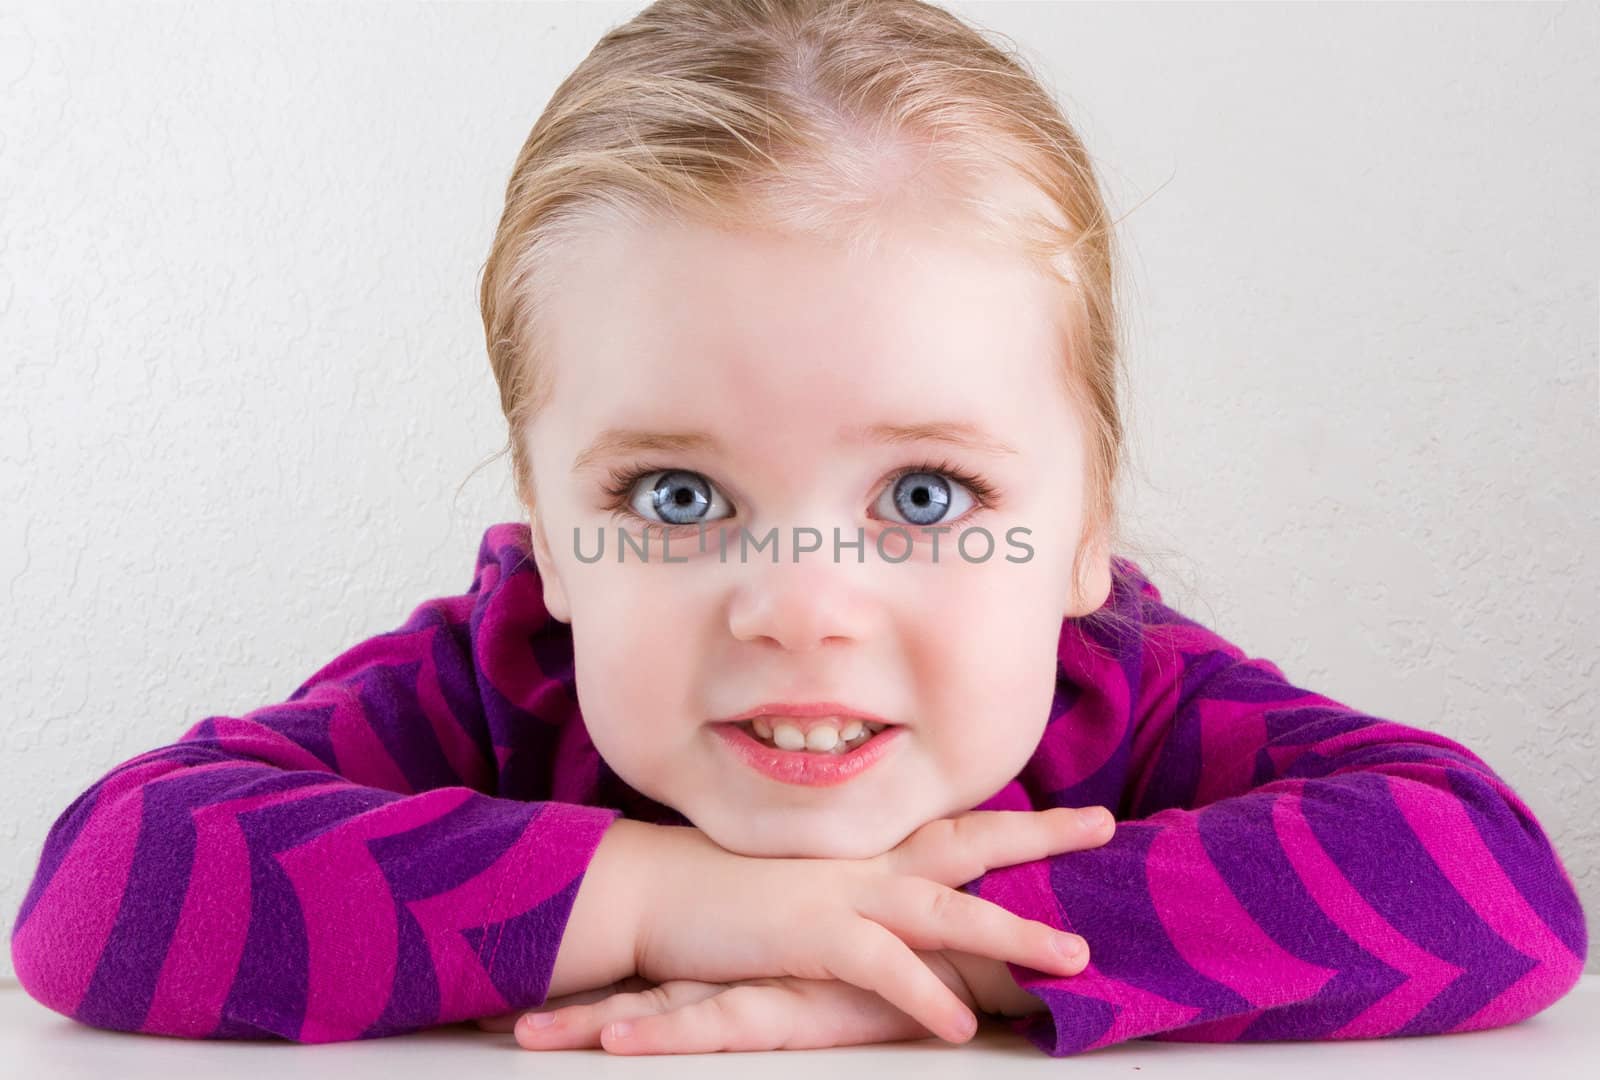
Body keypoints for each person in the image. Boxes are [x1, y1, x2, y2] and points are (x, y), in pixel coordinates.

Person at [9, 0, 1586, 1058]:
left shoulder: (1121, 691)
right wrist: (666, 900)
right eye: (678, 500)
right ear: (550, 535)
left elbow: (1498, 888)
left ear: (1083, 529)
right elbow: (100, 897)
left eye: (924, 498)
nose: (802, 608)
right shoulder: (506, 683)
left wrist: (917, 954)